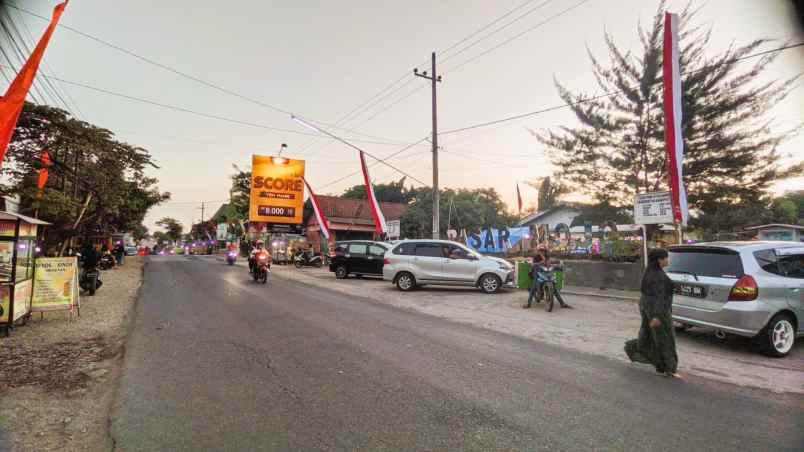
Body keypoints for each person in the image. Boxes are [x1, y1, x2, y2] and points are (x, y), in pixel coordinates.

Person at [624, 248, 681, 378]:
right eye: (666, 257)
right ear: (659, 260)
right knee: (665, 339)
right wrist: (656, 316)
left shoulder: (650, 272)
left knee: (649, 336)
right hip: (659, 312)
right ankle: (669, 368)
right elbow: (660, 297)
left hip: (648, 309)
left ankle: (637, 351)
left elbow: (646, 295)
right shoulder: (658, 276)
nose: (668, 260)